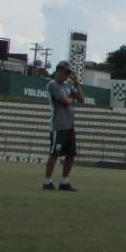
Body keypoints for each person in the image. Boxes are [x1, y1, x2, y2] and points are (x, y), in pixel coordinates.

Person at [43, 61, 84, 191]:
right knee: (55, 153)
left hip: (69, 125)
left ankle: (64, 181)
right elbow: (66, 102)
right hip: (58, 125)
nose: (66, 75)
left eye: (68, 73)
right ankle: (47, 181)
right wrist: (72, 99)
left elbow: (82, 99)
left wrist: (77, 83)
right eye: (65, 72)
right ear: (58, 70)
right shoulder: (53, 85)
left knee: (71, 154)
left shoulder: (67, 86)